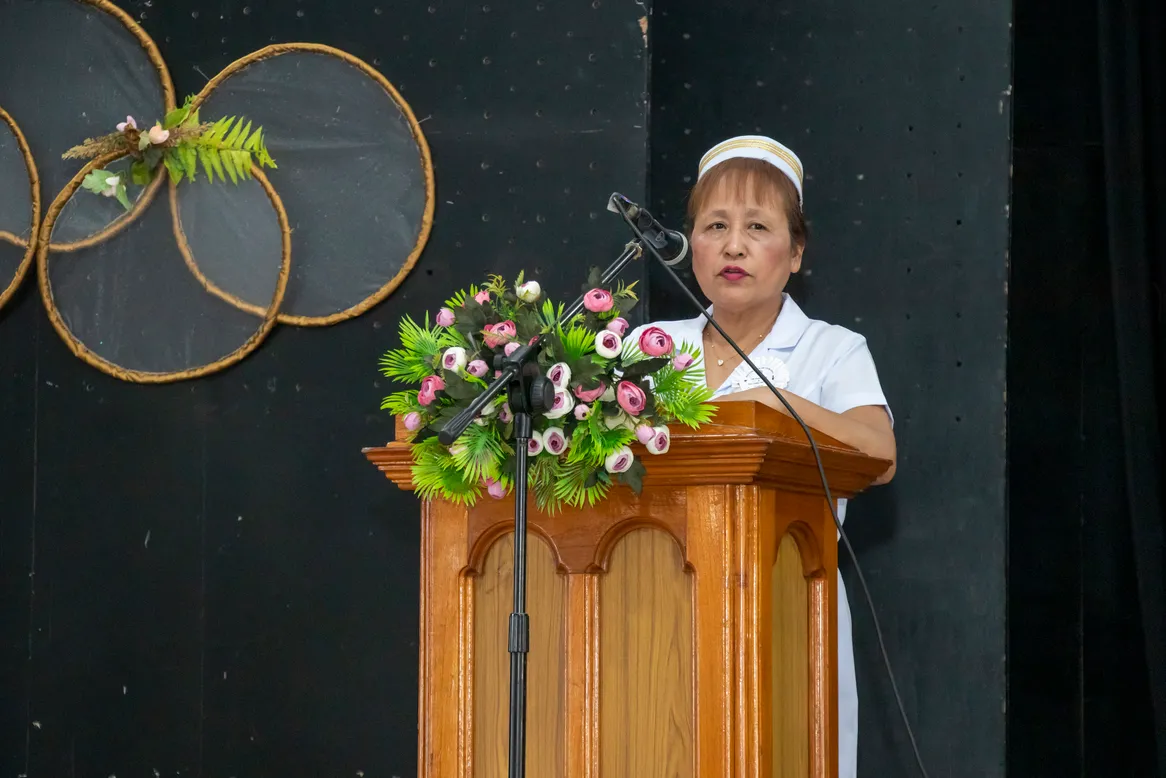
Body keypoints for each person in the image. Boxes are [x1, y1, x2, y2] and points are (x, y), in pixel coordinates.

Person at [630, 135, 896, 778]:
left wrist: (775, 407)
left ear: (796, 251)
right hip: (645, 600)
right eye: (714, 226)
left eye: (757, 227)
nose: (733, 246)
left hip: (784, 603)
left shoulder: (831, 350)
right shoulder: (646, 347)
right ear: (689, 243)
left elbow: (879, 454)